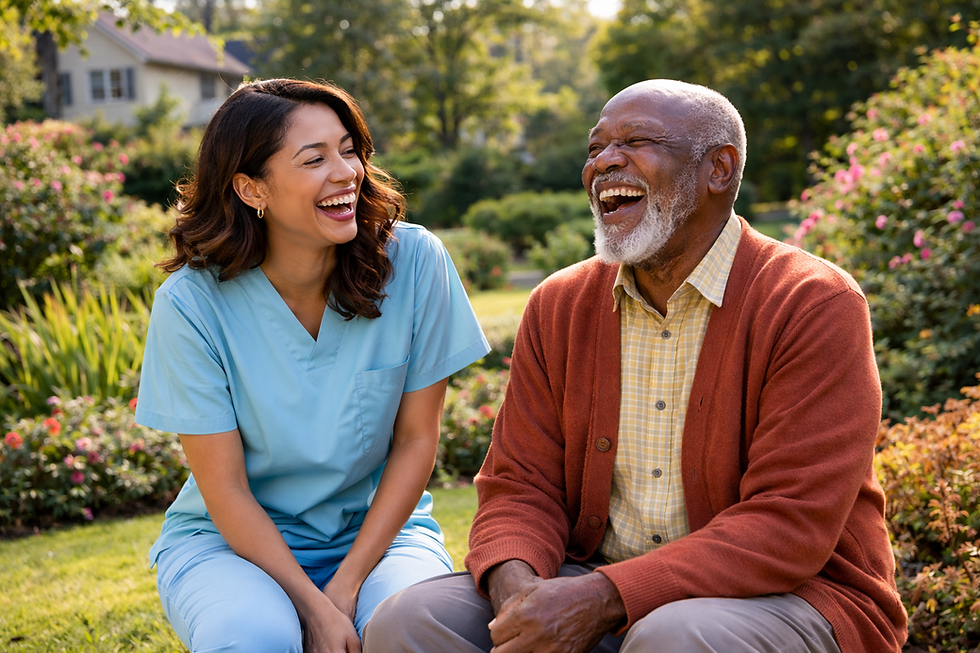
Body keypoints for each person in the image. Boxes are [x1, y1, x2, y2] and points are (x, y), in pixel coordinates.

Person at [363, 79, 908, 652]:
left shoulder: (811, 302)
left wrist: (603, 598)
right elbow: (520, 485)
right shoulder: (560, 302)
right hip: (587, 576)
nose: (604, 163)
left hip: (791, 595)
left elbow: (787, 526)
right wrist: (518, 591)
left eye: (635, 141)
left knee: (675, 635)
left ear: (718, 170)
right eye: (595, 149)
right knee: (411, 619)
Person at [134, 78, 490, 653]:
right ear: (251, 189)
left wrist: (346, 588)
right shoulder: (191, 304)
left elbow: (416, 441)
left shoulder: (415, 260)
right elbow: (223, 489)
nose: (345, 172)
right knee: (252, 637)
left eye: (349, 150)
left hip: (380, 536)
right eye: (314, 158)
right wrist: (311, 606)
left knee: (411, 627)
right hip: (229, 542)